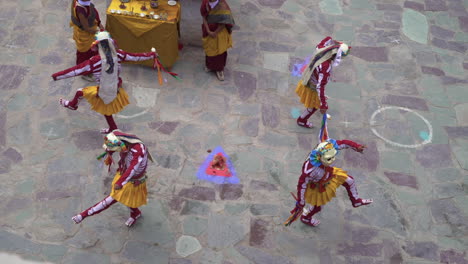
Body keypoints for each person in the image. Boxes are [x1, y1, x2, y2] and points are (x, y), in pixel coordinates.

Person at [51, 31, 157, 134]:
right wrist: (151, 55)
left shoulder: (94, 61)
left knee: (81, 93)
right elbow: (136, 57)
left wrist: (57, 76)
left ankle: (73, 105)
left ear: (97, 47)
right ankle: (112, 128)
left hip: (103, 91)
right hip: (116, 88)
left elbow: (76, 71)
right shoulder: (119, 54)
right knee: (106, 110)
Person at [72, 130, 153, 227]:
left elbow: (132, 168)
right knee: (128, 199)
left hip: (132, 180)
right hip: (124, 175)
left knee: (110, 200)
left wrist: (120, 182)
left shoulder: (138, 149)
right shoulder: (123, 141)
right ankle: (135, 213)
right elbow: (114, 140)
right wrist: (109, 151)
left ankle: (83, 215)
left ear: (122, 145)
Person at [287, 139, 372, 227]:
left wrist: (356, 146)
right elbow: (302, 185)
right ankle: (306, 217)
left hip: (330, 173)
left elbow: (342, 143)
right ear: (320, 157)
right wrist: (301, 201)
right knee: (318, 206)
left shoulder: (328, 147)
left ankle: (356, 200)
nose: (332, 160)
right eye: (329, 159)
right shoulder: (310, 170)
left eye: (333, 156)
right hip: (319, 186)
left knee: (350, 180)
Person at [296, 36, 351, 128]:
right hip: (312, 86)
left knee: (313, 105)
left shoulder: (320, 49)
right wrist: (323, 105)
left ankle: (303, 119)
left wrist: (334, 41)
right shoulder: (325, 68)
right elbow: (320, 87)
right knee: (313, 107)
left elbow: (325, 40)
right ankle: (302, 120)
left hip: (308, 78)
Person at [70, 0, 105, 81]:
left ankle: (93, 65)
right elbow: (86, 28)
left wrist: (100, 24)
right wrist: (99, 32)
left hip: (91, 31)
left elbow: (94, 13)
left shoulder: (87, 4)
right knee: (85, 54)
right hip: (85, 35)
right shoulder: (81, 10)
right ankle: (84, 73)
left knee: (93, 50)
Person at [200, 0, 235, 81]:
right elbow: (204, 17)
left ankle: (219, 69)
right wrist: (208, 30)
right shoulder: (205, 3)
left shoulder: (223, 5)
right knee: (209, 49)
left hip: (219, 32)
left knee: (220, 51)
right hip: (208, 31)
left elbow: (224, 23)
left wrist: (215, 33)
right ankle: (210, 66)